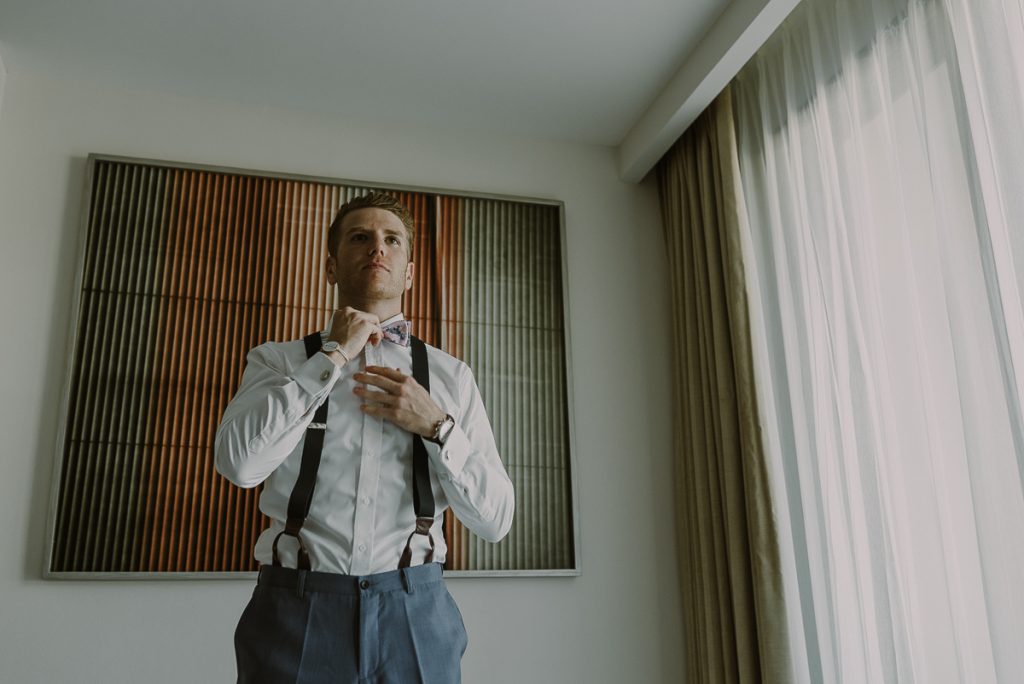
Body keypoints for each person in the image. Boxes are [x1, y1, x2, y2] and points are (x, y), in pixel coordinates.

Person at [214, 191, 515, 683]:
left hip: (417, 614)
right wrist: (331, 358)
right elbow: (238, 465)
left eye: (392, 239)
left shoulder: (452, 377)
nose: (378, 247)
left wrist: (438, 427)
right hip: (295, 611)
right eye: (360, 237)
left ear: (409, 273)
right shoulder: (277, 361)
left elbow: (496, 520)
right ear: (331, 267)